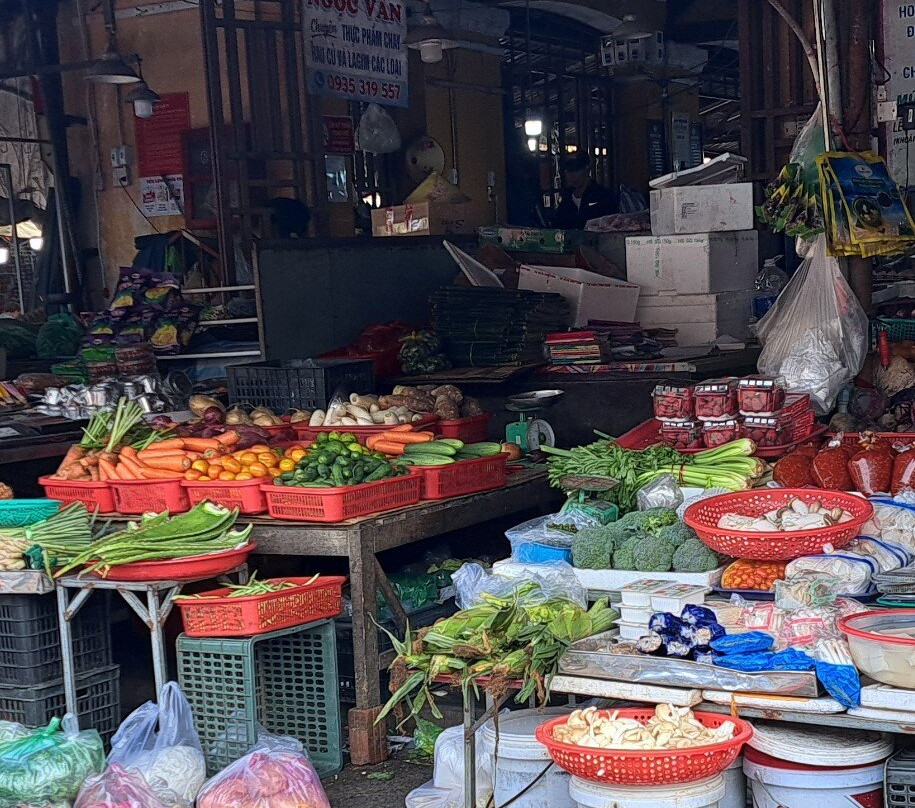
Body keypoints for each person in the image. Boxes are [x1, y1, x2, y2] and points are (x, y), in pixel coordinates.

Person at [552, 153, 619, 229]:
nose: (572, 175)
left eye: (576, 170)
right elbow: (557, 225)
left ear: (587, 170)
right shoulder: (565, 198)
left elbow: (612, 223)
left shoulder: (603, 196)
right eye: (568, 170)